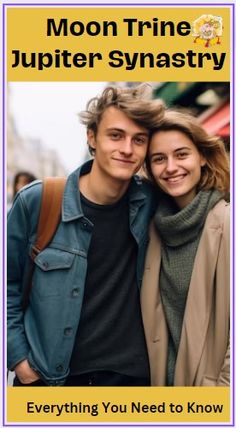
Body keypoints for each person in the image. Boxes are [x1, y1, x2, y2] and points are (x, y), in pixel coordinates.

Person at [7, 85, 164, 386]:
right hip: (50, 380)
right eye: (115, 135)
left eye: (139, 140)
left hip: (129, 381)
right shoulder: (38, 201)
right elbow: (7, 285)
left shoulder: (154, 203)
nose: (127, 149)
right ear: (92, 137)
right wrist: (19, 360)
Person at [141, 109, 230, 386]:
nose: (170, 167)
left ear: (202, 156)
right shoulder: (151, 227)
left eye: (181, 154)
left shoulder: (227, 223)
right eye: (159, 159)